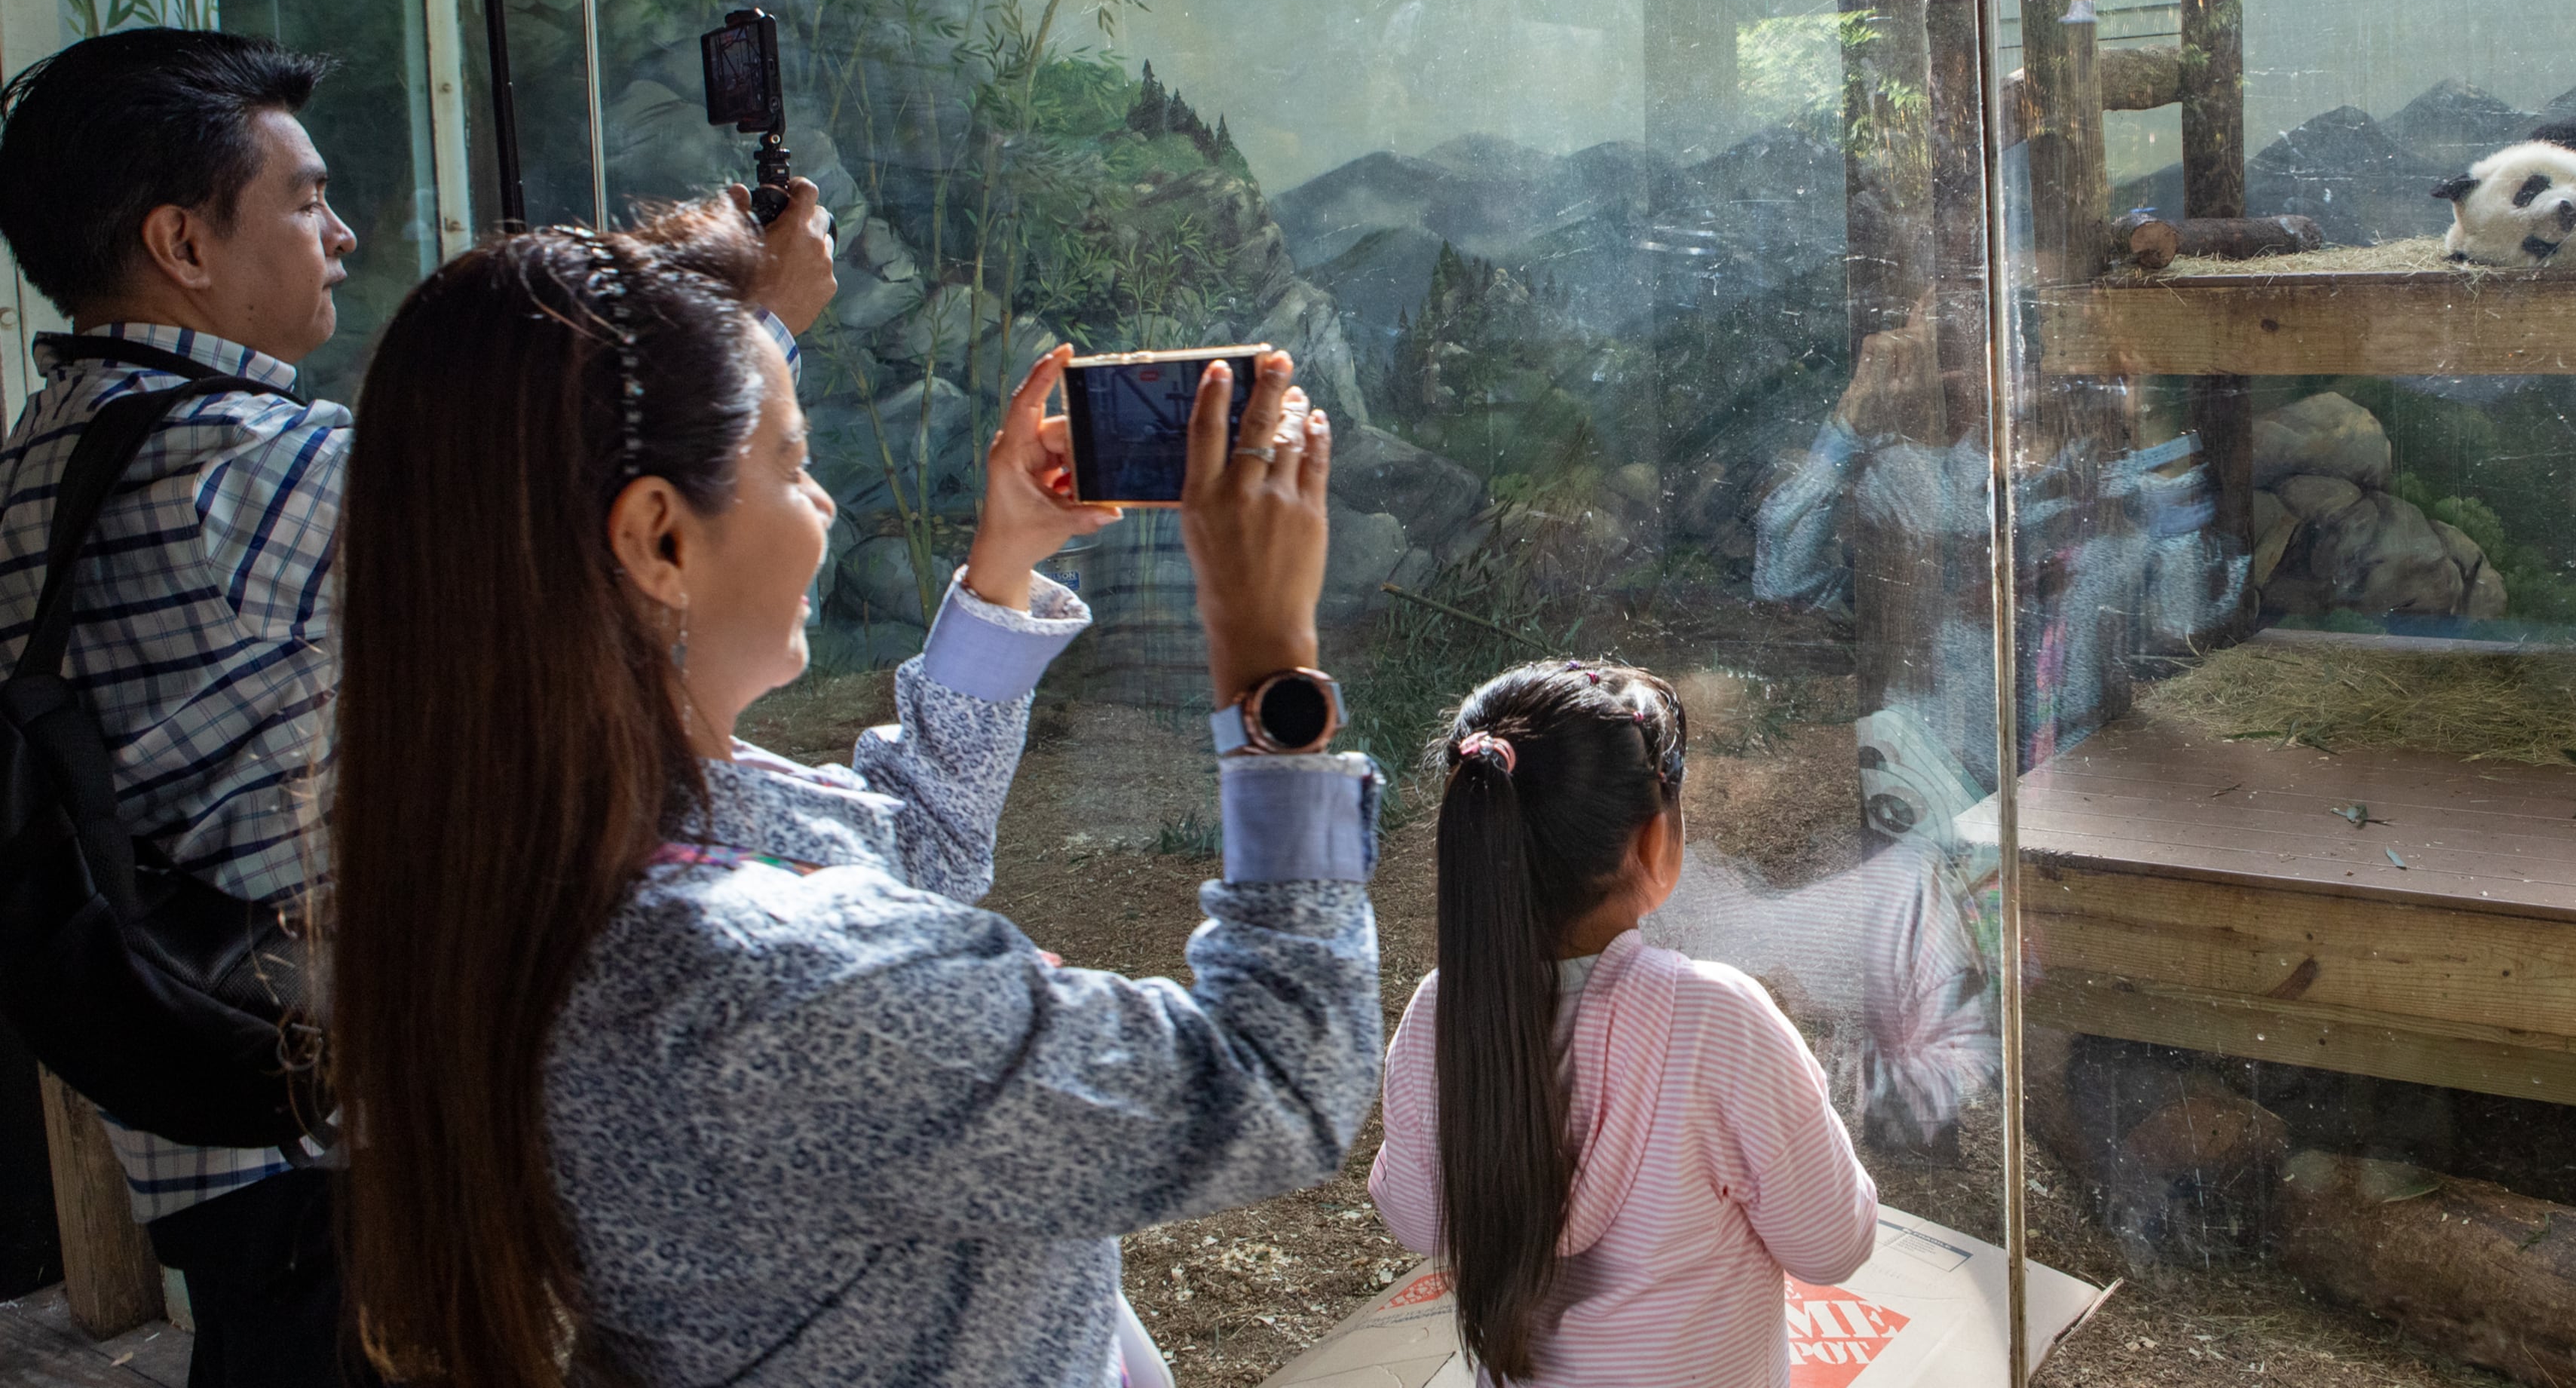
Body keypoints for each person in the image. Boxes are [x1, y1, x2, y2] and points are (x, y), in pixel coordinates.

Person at [326, 198, 1383, 1388]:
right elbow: (1277, 1086)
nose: (822, 504)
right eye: (794, 461)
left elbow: (905, 848)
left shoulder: (532, 850)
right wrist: (1268, 677)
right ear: (657, 541)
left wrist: (1005, 563)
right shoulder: (771, 988)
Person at [0, 26, 834, 1384]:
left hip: (213, 1133)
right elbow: (624, 561)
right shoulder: (236, 473)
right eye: (305, 197)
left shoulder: (50, 456)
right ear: (183, 245)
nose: (338, 234)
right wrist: (760, 333)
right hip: (351, 1155)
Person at [1369, 660, 1879, 1387]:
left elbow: (1420, 1221)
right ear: (1649, 844)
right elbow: (1834, 1246)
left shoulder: (1438, 1015)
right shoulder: (1719, 1022)